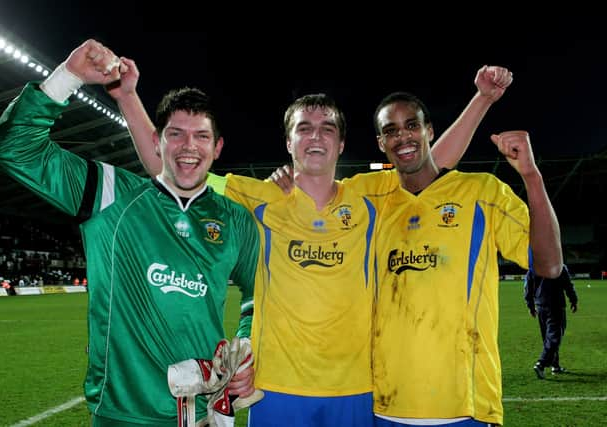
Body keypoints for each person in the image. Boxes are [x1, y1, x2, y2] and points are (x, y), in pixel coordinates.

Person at [110, 57, 512, 426]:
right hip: (276, 387)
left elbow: (429, 160)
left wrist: (482, 99)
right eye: (304, 128)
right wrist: (128, 95)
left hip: (354, 389)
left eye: (327, 129)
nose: (315, 137)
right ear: (288, 143)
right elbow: (171, 165)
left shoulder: (369, 196)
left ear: (340, 144)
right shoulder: (259, 197)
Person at [0, 39, 261, 426]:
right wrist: (67, 78)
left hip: (205, 409)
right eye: (175, 134)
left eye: (201, 136)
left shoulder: (235, 220)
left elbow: (258, 294)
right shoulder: (111, 195)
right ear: (156, 141)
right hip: (124, 414)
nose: (189, 147)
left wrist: (245, 346)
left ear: (216, 148)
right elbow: (13, 149)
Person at [371, 92, 563, 426]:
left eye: (412, 125)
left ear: (430, 131)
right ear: (380, 142)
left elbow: (549, 265)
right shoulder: (371, 199)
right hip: (384, 405)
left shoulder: (482, 192)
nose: (402, 136)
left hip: (466, 406)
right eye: (391, 130)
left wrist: (531, 176)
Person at [524, 264, 578, 379]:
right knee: (555, 336)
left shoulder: (534, 267)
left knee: (548, 337)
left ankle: (555, 365)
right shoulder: (559, 266)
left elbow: (528, 286)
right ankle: (541, 364)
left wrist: (531, 306)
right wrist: (573, 300)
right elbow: (568, 285)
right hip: (556, 305)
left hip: (541, 306)